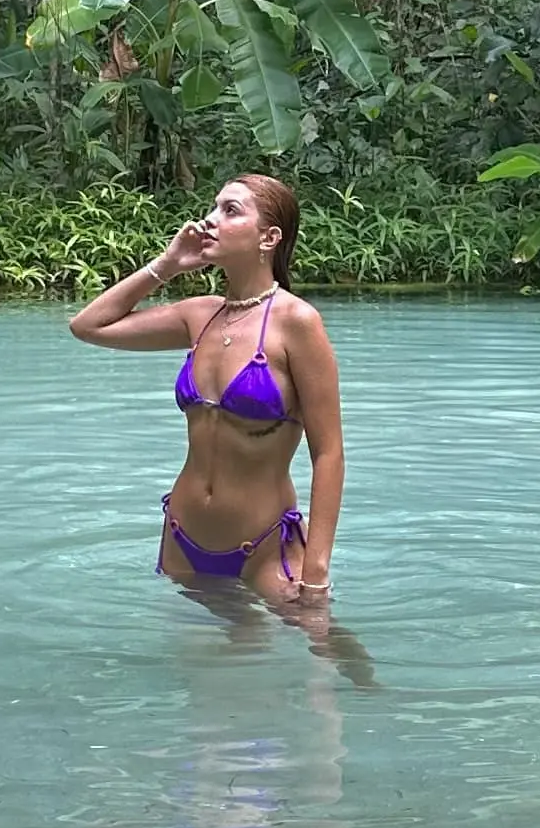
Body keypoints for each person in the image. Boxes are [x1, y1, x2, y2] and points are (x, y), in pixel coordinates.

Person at [70, 173, 341, 618]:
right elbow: (88, 327)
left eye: (229, 211)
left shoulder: (297, 323)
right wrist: (168, 265)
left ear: (268, 237)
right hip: (182, 538)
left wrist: (316, 570)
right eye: (213, 207)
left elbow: (328, 453)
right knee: (202, 678)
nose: (208, 221)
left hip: (265, 547)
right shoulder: (199, 315)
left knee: (321, 661)